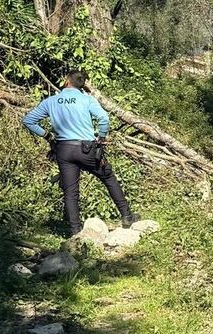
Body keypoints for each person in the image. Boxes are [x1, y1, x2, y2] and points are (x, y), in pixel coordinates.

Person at [22, 70, 139, 236]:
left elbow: (28, 121)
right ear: (82, 85)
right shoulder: (87, 99)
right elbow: (104, 119)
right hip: (87, 149)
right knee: (108, 177)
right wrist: (102, 137)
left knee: (70, 191)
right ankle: (127, 216)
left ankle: (75, 232)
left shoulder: (51, 101)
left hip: (63, 149)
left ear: (66, 81)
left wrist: (48, 136)